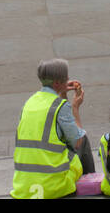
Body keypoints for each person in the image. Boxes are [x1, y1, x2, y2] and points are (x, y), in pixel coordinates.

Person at [11, 58, 94, 199]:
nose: (68, 79)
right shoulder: (61, 107)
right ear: (57, 82)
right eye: (65, 77)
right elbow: (77, 141)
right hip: (52, 184)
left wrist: (62, 93)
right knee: (83, 139)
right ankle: (91, 189)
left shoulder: (29, 103)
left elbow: (54, 127)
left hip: (24, 185)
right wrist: (75, 107)